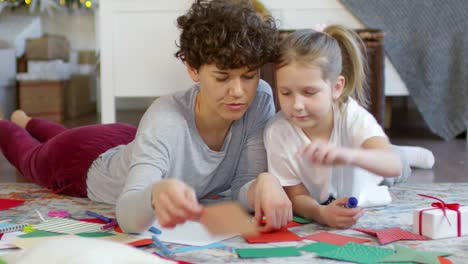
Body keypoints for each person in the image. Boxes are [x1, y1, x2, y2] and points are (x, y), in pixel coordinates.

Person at [0, 0, 292, 233]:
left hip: (127, 140)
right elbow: (127, 215)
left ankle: (26, 119)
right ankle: (10, 122)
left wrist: (262, 184)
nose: (239, 92)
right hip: (80, 162)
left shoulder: (260, 99)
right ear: (192, 69)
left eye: (249, 75)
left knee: (63, 135)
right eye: (222, 77)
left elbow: (243, 183)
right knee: (32, 155)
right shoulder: (165, 120)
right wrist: (154, 193)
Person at [264, 25, 434, 229]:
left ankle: (406, 153)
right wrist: (321, 213)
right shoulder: (277, 132)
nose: (297, 105)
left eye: (309, 92)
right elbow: (296, 194)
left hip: (368, 169)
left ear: (336, 88)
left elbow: (392, 165)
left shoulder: (351, 116)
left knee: (395, 169)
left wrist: (348, 155)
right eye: (286, 93)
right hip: (326, 192)